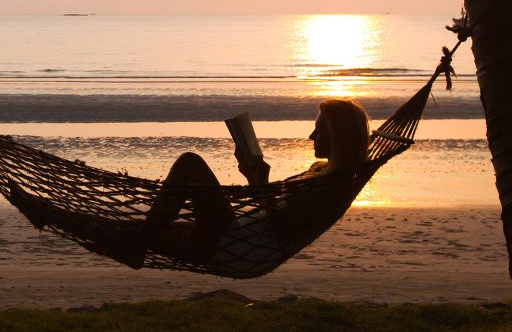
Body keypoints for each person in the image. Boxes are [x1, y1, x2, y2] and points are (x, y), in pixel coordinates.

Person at [141, 98, 371, 274]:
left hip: (239, 248)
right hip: (239, 236)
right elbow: (273, 213)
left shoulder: (330, 187)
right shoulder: (322, 171)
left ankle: (137, 246)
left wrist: (261, 184)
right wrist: (252, 176)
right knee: (135, 230)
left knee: (190, 162)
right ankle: (138, 243)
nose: (311, 136)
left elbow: (285, 231)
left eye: (319, 131)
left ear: (338, 137)